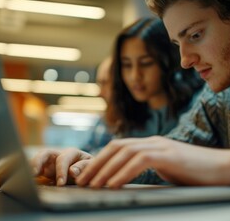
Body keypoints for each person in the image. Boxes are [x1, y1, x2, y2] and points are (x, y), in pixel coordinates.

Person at [67, 0, 230, 193]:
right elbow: (163, 161)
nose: (184, 60)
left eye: (195, 35)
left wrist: (225, 165)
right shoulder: (218, 101)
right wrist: (88, 164)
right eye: (177, 44)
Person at [32, 17, 204, 186]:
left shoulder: (199, 107)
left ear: (169, 63)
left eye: (145, 63)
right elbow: (107, 153)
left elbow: (180, 163)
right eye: (127, 65)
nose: (135, 76)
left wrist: (100, 166)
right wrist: (70, 164)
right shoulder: (128, 115)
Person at [80, 57, 114, 155]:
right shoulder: (103, 120)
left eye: (105, 83)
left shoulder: (142, 124)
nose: (99, 93)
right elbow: (86, 150)